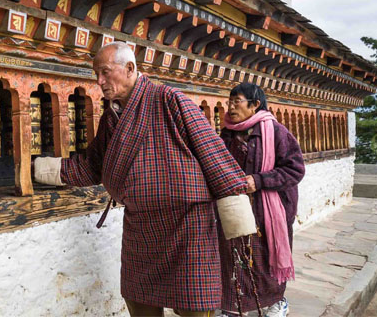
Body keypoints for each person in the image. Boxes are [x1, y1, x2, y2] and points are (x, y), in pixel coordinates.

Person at [33, 42, 254, 316]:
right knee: (139, 302)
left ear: (129, 68)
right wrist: (38, 169)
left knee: (194, 305)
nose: (99, 81)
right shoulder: (111, 117)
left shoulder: (170, 99)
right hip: (141, 226)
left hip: (187, 224)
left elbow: (212, 152)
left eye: (105, 72)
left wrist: (238, 221)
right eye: (96, 75)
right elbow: (92, 167)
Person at [218, 83, 305, 317]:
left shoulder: (276, 132)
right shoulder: (227, 133)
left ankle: (278, 301)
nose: (231, 106)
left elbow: (295, 170)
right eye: (230, 101)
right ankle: (235, 307)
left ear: (255, 105)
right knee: (234, 256)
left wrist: (259, 180)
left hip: (269, 210)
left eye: (237, 101)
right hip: (236, 208)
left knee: (266, 259)